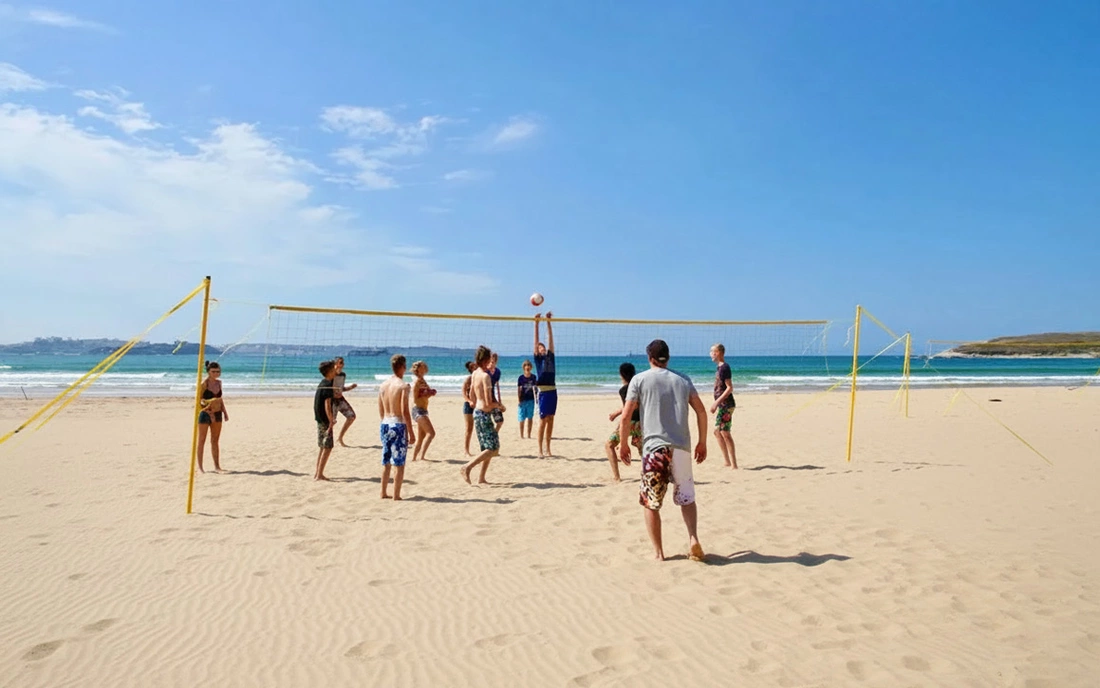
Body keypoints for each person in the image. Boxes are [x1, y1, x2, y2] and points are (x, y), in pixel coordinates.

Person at [619, 339, 708, 562]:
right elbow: (701, 411)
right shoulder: (683, 379)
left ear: (649, 358)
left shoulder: (639, 379)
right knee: (686, 498)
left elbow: (626, 416)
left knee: (651, 503)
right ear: (668, 358)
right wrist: (702, 442)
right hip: (681, 447)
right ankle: (693, 539)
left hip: (654, 448)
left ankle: (659, 553)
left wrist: (623, 443)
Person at [462, 346, 505, 485]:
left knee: (487, 448)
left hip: (477, 412)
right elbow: (488, 403)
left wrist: (475, 402)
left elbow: (472, 395)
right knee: (493, 448)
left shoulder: (475, 373)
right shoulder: (485, 377)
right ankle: (467, 467)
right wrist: (499, 406)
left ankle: (481, 478)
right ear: (485, 359)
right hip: (484, 414)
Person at [378, 354, 414, 500]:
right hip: (398, 424)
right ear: (403, 367)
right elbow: (405, 411)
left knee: (386, 461)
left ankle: (383, 492)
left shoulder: (383, 385)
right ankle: (396, 495)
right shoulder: (403, 386)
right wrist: (411, 432)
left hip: (385, 423)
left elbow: (381, 409)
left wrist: (385, 421)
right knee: (399, 462)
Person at [605, 362, 641, 482]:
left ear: (622, 375)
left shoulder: (625, 390)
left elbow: (630, 407)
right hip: (642, 423)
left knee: (609, 445)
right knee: (644, 451)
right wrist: (617, 413)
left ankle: (617, 477)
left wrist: (617, 416)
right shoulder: (639, 387)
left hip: (630, 423)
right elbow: (633, 405)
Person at [196, 360, 228, 473]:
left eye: (218, 371)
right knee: (202, 440)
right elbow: (199, 400)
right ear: (208, 372)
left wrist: (225, 412)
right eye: (213, 371)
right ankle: (200, 467)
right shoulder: (204, 384)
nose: (216, 373)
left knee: (215, 440)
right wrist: (206, 405)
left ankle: (217, 466)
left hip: (217, 413)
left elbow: (220, 399)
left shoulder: (219, 383)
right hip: (206, 413)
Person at [710, 343, 738, 469]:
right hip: (723, 405)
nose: (711, 354)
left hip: (727, 405)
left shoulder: (724, 367)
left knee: (725, 432)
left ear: (719, 353)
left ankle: (734, 464)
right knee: (717, 432)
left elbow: (729, 388)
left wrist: (716, 402)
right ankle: (727, 461)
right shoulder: (719, 368)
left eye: (713, 351)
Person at [533, 311, 557, 457]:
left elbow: (550, 340)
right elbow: (536, 341)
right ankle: (540, 450)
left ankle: (548, 448)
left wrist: (548, 322)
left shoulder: (550, 356)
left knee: (551, 420)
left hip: (553, 390)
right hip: (543, 392)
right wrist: (536, 323)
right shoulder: (538, 359)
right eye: (539, 347)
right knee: (543, 420)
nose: (541, 348)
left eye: (543, 347)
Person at [313, 360, 338, 481]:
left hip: (319, 418)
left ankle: (318, 472)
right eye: (334, 369)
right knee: (327, 447)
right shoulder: (328, 384)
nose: (335, 371)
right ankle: (319, 474)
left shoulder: (323, 383)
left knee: (323, 446)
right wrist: (331, 420)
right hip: (325, 419)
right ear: (329, 371)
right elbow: (327, 404)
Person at [410, 360, 437, 461]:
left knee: (421, 437)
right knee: (431, 433)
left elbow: (426, 395)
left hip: (424, 410)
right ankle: (421, 456)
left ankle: (414, 458)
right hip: (418, 410)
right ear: (417, 369)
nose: (424, 367)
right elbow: (415, 398)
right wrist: (424, 394)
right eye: (422, 366)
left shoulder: (423, 381)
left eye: (424, 366)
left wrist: (430, 393)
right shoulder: (417, 381)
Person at [332, 356, 358, 447]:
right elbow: (326, 387)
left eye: (343, 363)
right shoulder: (331, 374)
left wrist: (351, 387)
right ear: (335, 364)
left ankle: (340, 438)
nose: (342, 364)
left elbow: (341, 388)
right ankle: (326, 440)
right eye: (340, 362)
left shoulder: (343, 375)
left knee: (351, 416)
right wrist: (333, 394)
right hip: (331, 401)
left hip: (340, 399)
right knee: (331, 422)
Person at [516, 360, 537, 439]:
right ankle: (521, 435)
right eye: (526, 366)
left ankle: (529, 435)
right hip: (522, 400)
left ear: (531, 367)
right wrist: (519, 400)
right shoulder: (521, 378)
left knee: (530, 417)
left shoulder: (533, 377)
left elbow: (535, 389)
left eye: (529, 366)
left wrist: (536, 399)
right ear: (524, 368)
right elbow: (519, 389)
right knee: (521, 418)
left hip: (531, 400)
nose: (527, 367)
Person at [461, 361, 477, 456]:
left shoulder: (479, 377)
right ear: (470, 369)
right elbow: (463, 393)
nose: (475, 367)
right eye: (473, 366)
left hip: (478, 405)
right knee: (469, 428)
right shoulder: (469, 379)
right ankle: (466, 450)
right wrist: (470, 401)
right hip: (468, 405)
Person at [489, 352, 505, 432]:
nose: (491, 364)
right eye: (490, 362)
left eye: (493, 362)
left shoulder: (497, 372)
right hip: (485, 398)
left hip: (493, 397)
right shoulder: (484, 371)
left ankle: (494, 434)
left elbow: (497, 386)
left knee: (500, 421)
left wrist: (499, 400)